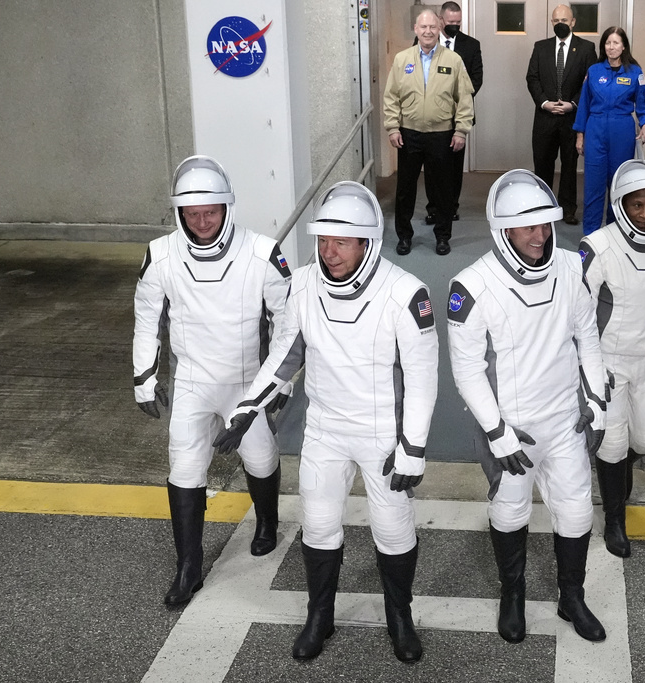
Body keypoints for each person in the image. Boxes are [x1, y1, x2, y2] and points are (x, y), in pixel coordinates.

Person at [211, 181, 438, 663]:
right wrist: (248, 406)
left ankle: (400, 617)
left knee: (393, 530)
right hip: (326, 430)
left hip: (383, 434)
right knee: (317, 525)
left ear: (366, 243)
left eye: (340, 242)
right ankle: (321, 615)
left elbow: (422, 378)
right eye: (322, 241)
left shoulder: (405, 293)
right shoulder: (303, 284)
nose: (328, 252)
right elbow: (285, 356)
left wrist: (413, 447)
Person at [447, 169, 609, 644]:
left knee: (577, 512)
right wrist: (497, 433)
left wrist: (597, 400)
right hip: (510, 431)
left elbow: (588, 339)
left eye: (545, 225)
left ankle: (571, 597)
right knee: (510, 511)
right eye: (528, 227)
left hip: (564, 421)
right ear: (503, 229)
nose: (539, 236)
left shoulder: (570, 267)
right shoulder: (470, 285)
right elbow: (467, 370)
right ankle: (512, 594)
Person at [133, 155, 293, 606]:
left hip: (248, 382)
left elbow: (287, 326)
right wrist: (144, 375)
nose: (203, 222)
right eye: (192, 214)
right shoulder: (160, 254)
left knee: (260, 458)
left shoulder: (263, 252)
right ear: (180, 213)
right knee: (184, 467)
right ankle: (189, 567)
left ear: (227, 208)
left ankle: (266, 522)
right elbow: (147, 318)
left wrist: (277, 387)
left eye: (211, 212)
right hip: (192, 381)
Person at [578, 159, 645, 557]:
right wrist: (587, 372)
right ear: (621, 205)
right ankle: (614, 520)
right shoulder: (597, 247)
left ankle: (617, 475)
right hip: (610, 363)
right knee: (611, 443)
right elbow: (581, 316)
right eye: (637, 205)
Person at [384, 9, 475, 257]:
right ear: (416, 29)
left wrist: (461, 131)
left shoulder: (453, 60)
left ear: (439, 29)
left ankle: (443, 236)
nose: (428, 31)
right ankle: (404, 236)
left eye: (432, 27)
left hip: (442, 135)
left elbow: (464, 99)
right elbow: (391, 96)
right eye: (423, 27)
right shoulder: (402, 59)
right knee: (405, 189)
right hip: (409, 134)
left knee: (443, 189)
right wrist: (392, 126)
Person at [573, 26, 645, 235]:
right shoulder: (594, 71)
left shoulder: (635, 72)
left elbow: (643, 103)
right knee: (593, 186)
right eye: (608, 43)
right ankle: (591, 235)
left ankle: (615, 233)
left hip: (622, 131)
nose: (611, 47)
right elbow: (584, 105)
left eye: (615, 42)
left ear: (624, 46)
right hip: (595, 130)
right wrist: (580, 135)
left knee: (618, 185)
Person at [526, 5, 597, 226]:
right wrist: (545, 103)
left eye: (564, 20)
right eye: (556, 21)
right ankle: (544, 206)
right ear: (551, 22)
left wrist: (573, 104)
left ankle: (567, 209)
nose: (560, 24)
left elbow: (590, 82)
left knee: (569, 165)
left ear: (573, 22)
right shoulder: (541, 47)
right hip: (545, 117)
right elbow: (532, 78)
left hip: (571, 118)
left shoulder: (586, 48)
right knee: (543, 164)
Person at [424, 1, 483, 225]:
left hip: (458, 115)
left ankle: (451, 206)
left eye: (458, 23)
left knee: (453, 166)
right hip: (430, 117)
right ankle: (433, 208)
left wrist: (456, 101)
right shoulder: (426, 42)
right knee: (431, 165)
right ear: (441, 21)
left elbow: (477, 79)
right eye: (450, 23)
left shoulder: (471, 45)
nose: (454, 26)